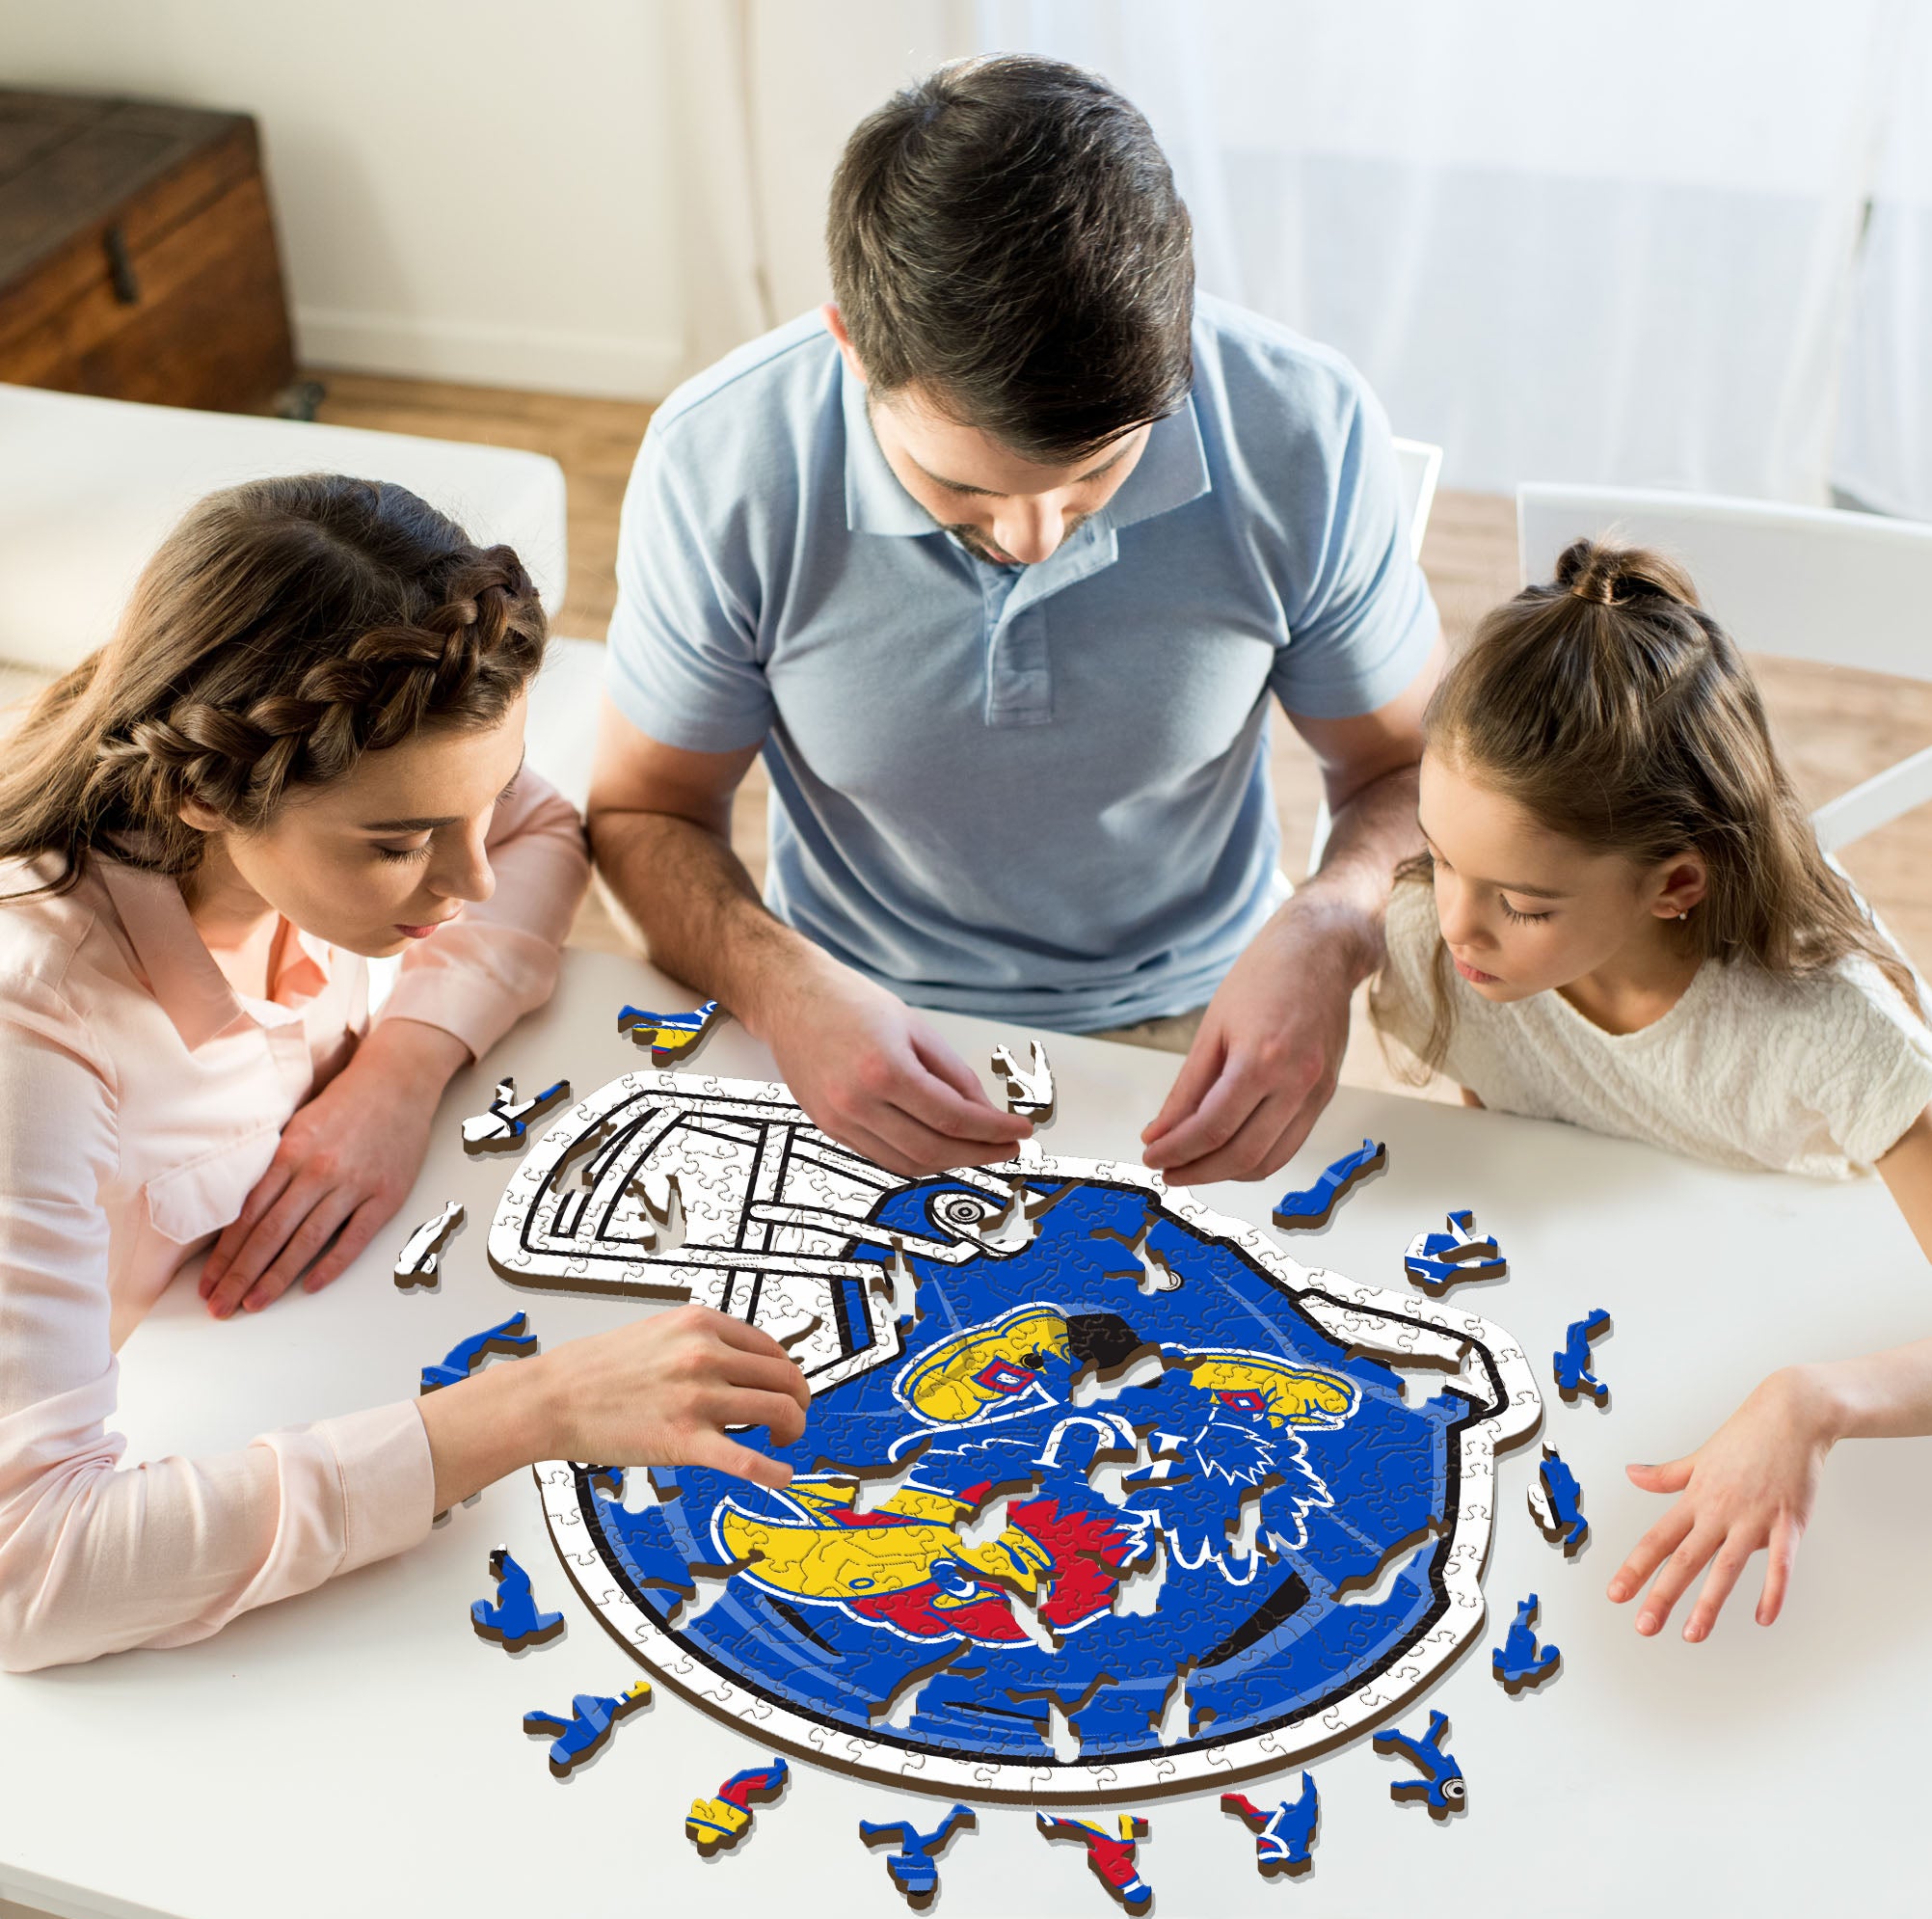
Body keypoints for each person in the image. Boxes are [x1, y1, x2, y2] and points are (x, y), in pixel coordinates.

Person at [588, 55, 1443, 1186]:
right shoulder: (721, 463)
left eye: (1095, 479)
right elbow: (646, 810)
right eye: (966, 491)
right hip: (840, 1015)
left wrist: (1333, 929)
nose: (1036, 536)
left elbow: (1411, 773)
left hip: (1207, 1013)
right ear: (853, 348)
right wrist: (779, 988)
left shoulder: (1302, 429)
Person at [0, 476, 808, 1672]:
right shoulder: (36, 1038)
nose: (469, 883)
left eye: (473, 804)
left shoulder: (328, 797)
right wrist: (535, 1411)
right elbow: (33, 1573)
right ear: (201, 793)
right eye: (398, 845)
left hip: (276, 1344)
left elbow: (539, 832)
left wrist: (400, 1065)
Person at [1371, 537, 1932, 1643]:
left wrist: (1814, 1401)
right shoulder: (1442, 951)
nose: (1454, 928)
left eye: (1522, 905)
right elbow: (1525, 1136)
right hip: (1635, 1319)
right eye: (1440, 858)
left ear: (1676, 884)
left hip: (1843, 1331)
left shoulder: (1833, 1031)